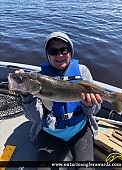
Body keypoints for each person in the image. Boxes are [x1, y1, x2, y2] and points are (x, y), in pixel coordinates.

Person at [17, 32, 103, 170]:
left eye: (64, 50)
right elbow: (34, 117)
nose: (60, 55)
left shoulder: (83, 72)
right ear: (48, 54)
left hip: (79, 131)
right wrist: (26, 95)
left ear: (70, 51)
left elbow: (94, 110)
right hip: (50, 134)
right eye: (53, 51)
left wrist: (89, 105)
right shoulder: (40, 78)